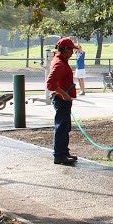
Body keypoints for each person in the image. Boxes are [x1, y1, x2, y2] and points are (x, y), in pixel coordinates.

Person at [46, 37, 78, 166]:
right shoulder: (59, 63)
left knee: (65, 127)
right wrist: (63, 94)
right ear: (65, 49)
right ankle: (59, 155)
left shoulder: (60, 60)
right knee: (61, 127)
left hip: (62, 99)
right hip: (61, 100)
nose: (72, 53)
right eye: (71, 50)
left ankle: (64, 152)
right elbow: (50, 83)